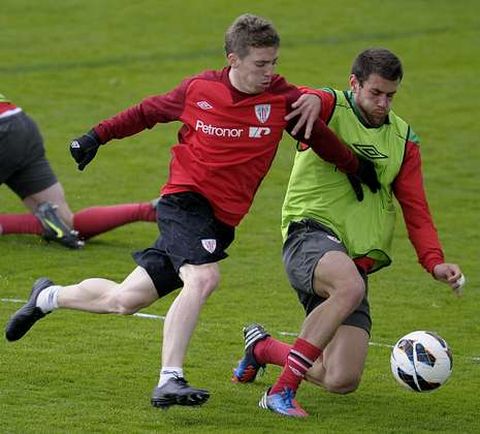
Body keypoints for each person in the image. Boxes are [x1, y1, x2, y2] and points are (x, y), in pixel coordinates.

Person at [4, 14, 379, 409]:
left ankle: (48, 296)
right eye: (260, 64)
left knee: (125, 299)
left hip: (220, 222)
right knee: (202, 278)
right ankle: (170, 378)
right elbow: (147, 112)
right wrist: (95, 136)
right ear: (232, 59)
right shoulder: (200, 89)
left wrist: (356, 167)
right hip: (184, 202)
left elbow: (318, 136)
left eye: (274, 63)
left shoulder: (281, 100)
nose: (269, 72)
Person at [231, 48, 465, 417]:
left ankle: (263, 349)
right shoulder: (328, 106)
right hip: (309, 236)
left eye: (391, 95)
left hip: (352, 261)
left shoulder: (403, 140)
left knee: (341, 379)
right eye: (376, 93)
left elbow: (416, 208)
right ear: (354, 83)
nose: (384, 103)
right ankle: (280, 394)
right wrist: (309, 98)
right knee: (350, 286)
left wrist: (433, 262)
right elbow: (311, 98)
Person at [0, 92, 157, 248]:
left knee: (60, 223)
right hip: (21, 124)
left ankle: (40, 225)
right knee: (65, 223)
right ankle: (148, 210)